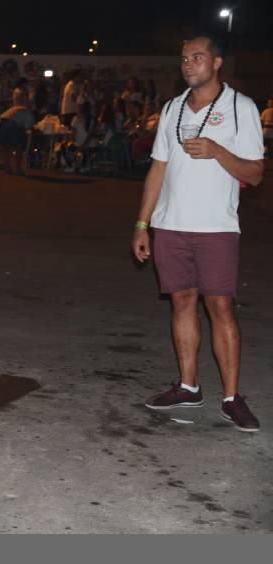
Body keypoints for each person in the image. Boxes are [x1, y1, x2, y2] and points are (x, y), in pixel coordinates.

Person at [131, 35, 264, 432]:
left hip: (216, 227)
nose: (189, 64)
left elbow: (255, 174)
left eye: (198, 57)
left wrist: (216, 151)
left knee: (220, 307)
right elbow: (158, 168)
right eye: (185, 58)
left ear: (218, 62)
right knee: (181, 302)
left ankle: (231, 397)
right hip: (171, 225)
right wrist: (142, 223)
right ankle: (189, 386)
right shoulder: (171, 108)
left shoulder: (241, 108)